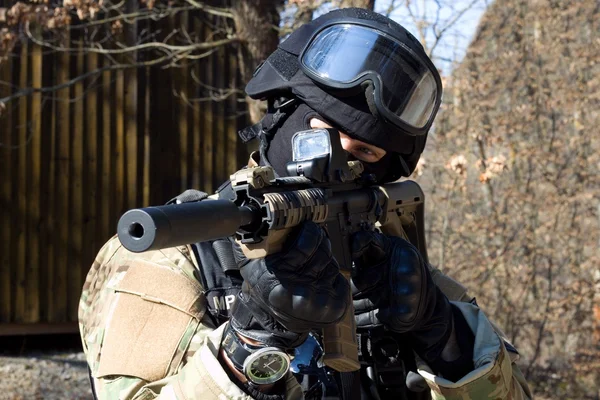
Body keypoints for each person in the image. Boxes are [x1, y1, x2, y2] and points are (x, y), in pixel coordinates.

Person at [78, 8, 533, 400]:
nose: (339, 161)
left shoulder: (393, 264)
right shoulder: (171, 261)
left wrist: (444, 338)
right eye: (320, 133)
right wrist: (250, 342)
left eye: (366, 154)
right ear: (280, 120)